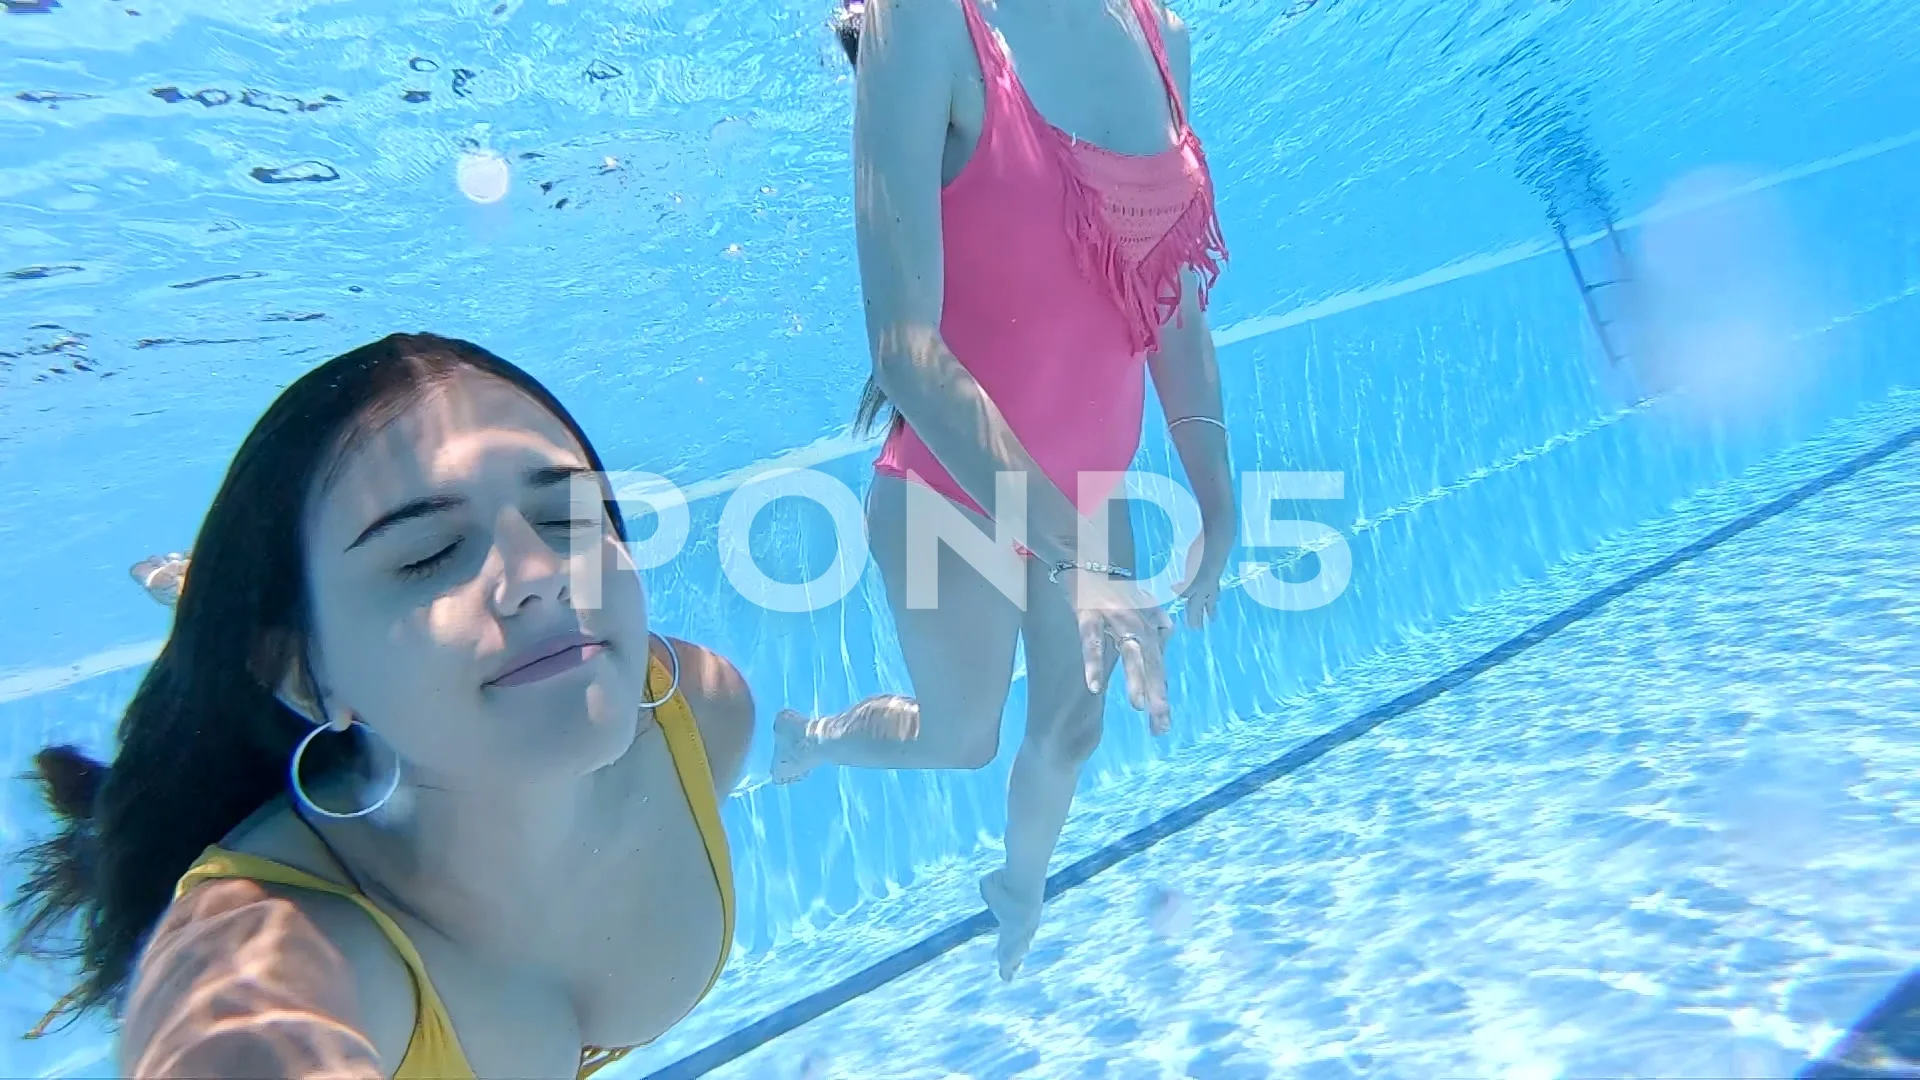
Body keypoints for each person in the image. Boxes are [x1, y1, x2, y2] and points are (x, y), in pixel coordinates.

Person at [12, 333, 755, 1080]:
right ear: (305, 680)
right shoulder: (268, 953)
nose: (541, 572)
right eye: (427, 554)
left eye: (567, 517)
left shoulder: (703, 709)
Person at [778, 0, 1235, 981]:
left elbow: (1172, 301)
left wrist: (1217, 489)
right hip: (952, 489)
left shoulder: (1165, 37)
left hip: (1087, 494)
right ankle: (814, 739)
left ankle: (1018, 886)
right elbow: (905, 353)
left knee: (1072, 726)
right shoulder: (921, 27)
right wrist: (1076, 559)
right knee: (961, 737)